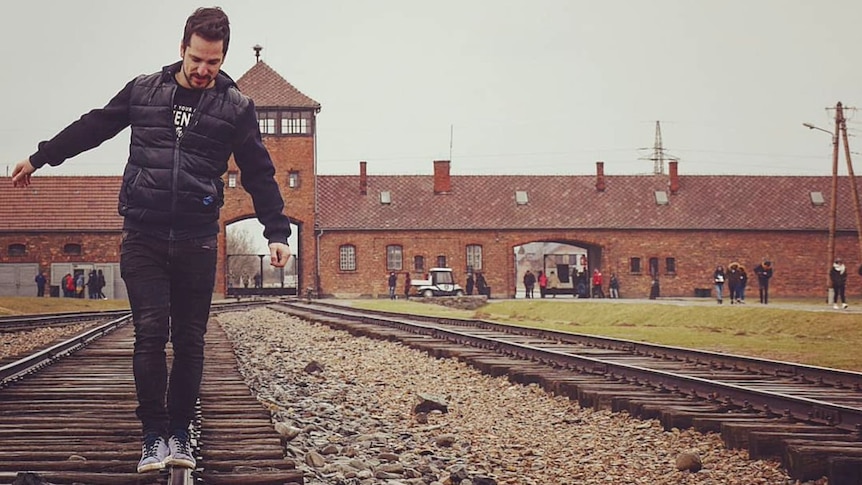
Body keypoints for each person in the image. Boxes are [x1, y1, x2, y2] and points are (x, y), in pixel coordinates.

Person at [10, 7, 292, 474]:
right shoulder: (144, 90)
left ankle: (180, 431)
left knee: (190, 340)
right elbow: (95, 125)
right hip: (143, 234)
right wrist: (41, 157)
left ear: (224, 58)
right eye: (197, 59)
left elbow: (260, 172)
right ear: (182, 48)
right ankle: (152, 436)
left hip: (198, 239)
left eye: (214, 62)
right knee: (150, 334)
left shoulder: (235, 107)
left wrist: (277, 231)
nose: (204, 70)